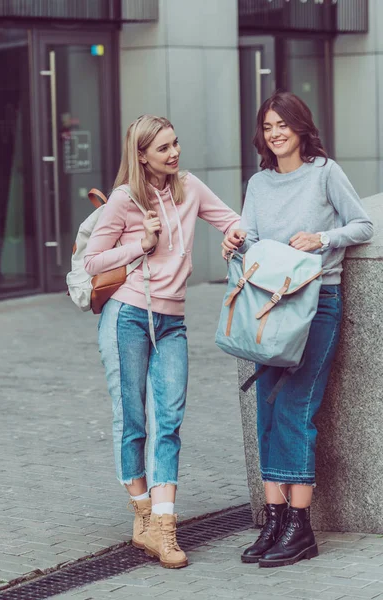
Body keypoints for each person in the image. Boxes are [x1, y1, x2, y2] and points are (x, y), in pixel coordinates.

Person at [222, 91, 373, 568]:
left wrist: (322, 238)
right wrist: (235, 239)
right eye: (267, 126)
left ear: (301, 127)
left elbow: (363, 224)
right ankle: (274, 518)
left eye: (282, 124)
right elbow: (249, 238)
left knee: (294, 410)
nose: (275, 133)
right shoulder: (258, 183)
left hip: (316, 303)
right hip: (267, 308)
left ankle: (300, 528)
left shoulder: (325, 173)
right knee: (267, 411)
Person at [84, 115, 241, 569]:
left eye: (175, 144)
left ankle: (164, 528)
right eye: (163, 148)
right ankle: (144, 514)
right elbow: (94, 261)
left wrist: (233, 237)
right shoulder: (123, 200)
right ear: (141, 155)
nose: (173, 154)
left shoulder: (188, 186)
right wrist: (141, 243)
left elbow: (231, 220)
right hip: (127, 316)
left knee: (169, 420)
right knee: (132, 418)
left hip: (172, 321)